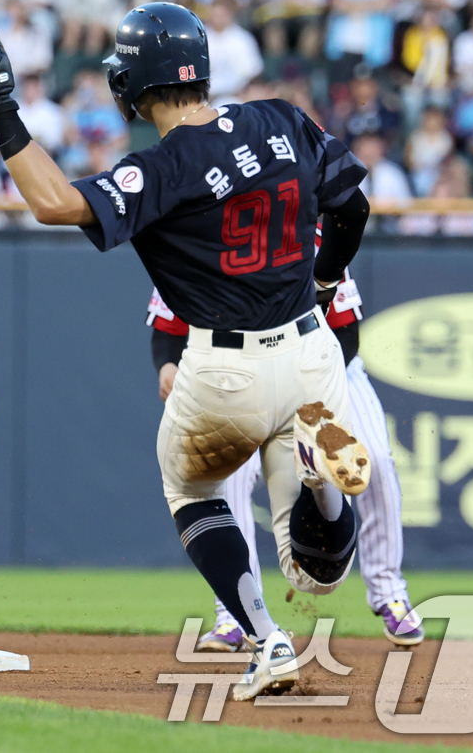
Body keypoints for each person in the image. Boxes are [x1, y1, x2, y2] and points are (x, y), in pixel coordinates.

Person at [0, 2, 371, 699]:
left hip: (227, 367)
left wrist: (1, 105)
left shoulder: (162, 168)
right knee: (317, 573)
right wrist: (328, 278)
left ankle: (267, 639)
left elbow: (54, 203)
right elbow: (353, 205)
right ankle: (322, 489)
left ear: (131, 84)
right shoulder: (281, 119)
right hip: (312, 351)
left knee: (191, 489)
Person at [148, 258, 421, 653]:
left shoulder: (309, 239)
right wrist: (167, 366)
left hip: (327, 367)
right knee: (229, 479)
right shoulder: (200, 241)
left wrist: (308, 391)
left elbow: (346, 331)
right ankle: (236, 613)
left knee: (373, 460)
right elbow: (168, 327)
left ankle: (389, 591)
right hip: (236, 375)